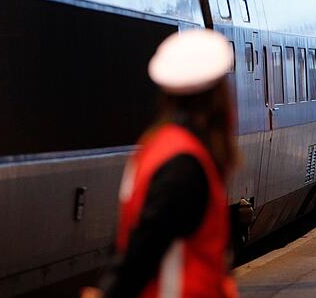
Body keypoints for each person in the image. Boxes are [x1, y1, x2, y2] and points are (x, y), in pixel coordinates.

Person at [83, 29, 239, 298]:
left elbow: (131, 235)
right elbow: (146, 243)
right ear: (218, 95)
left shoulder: (156, 146)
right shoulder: (185, 162)